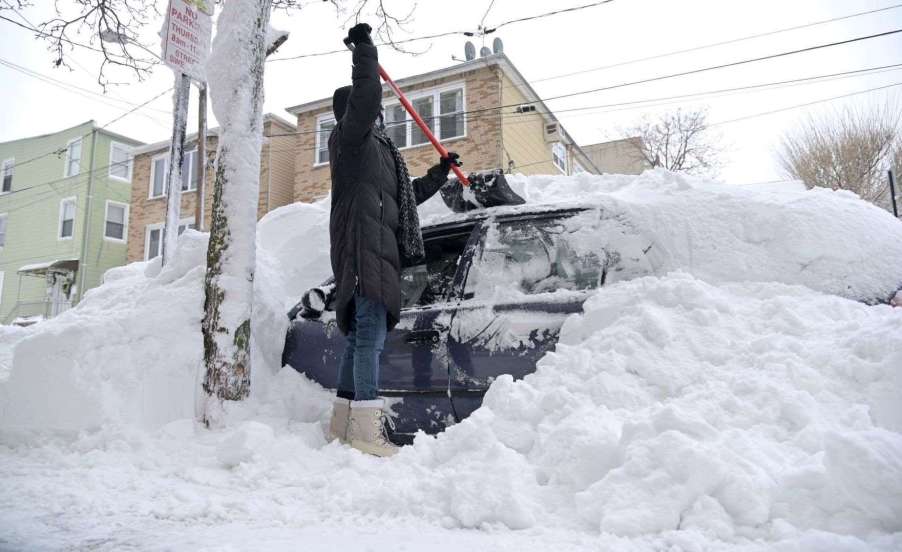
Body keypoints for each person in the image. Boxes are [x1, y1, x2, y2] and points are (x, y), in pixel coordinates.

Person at [326, 23, 460, 457]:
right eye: (373, 115)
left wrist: (439, 175)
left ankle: (344, 425)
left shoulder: (378, 155)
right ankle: (366, 432)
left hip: (378, 252)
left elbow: (405, 199)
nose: (380, 118)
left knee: (361, 337)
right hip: (363, 251)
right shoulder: (352, 141)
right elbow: (365, 96)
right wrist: (365, 52)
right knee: (369, 339)